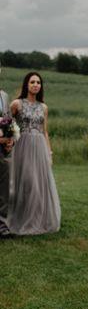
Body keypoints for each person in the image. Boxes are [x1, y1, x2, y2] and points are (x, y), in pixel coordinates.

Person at [7, 72, 61, 235]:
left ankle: (38, 218)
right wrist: (8, 142)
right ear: (26, 85)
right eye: (32, 82)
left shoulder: (43, 107)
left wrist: (49, 152)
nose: (36, 85)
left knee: (39, 183)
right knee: (27, 182)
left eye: (38, 82)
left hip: (39, 148)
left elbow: (45, 132)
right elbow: (7, 125)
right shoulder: (17, 104)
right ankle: (20, 217)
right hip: (22, 146)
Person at [0, 69, 14, 238]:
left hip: (3, 151)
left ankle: (2, 226)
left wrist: (11, 138)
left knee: (3, 188)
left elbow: (8, 119)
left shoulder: (4, 96)